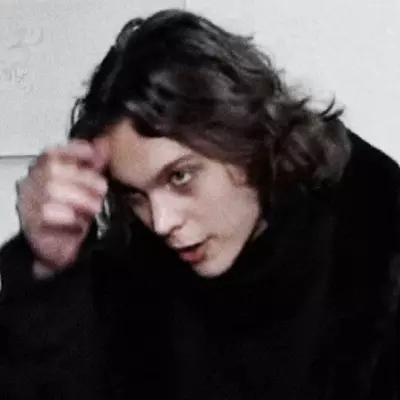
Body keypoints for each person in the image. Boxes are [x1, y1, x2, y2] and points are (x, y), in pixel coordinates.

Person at [0, 8, 399, 400]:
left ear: (247, 135)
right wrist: (50, 272)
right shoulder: (135, 269)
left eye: (180, 176)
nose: (161, 222)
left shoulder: (375, 235)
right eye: (135, 193)